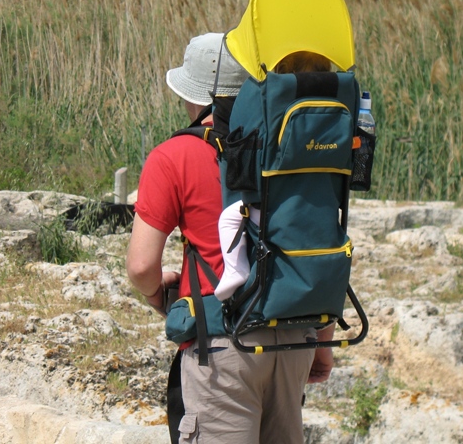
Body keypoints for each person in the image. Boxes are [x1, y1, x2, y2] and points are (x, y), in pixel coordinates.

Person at [126, 34, 335, 444]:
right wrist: (321, 343)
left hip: (222, 345)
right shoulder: (291, 147)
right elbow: (320, 242)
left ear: (199, 96)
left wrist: (157, 295)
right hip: (294, 337)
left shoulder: (173, 156)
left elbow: (140, 266)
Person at [214, 51, 332, 301]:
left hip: (275, 212)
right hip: (323, 211)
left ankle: (236, 269)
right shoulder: (331, 119)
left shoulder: (276, 114)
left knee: (229, 218)